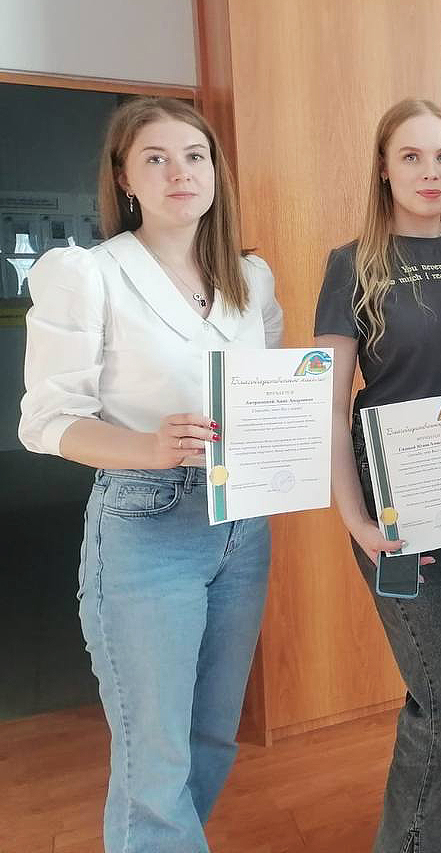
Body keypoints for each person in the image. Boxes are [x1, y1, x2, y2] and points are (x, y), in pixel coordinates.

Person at [19, 97, 283, 853]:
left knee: (212, 737)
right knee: (155, 756)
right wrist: (149, 447)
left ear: (215, 171)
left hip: (241, 524)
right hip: (145, 521)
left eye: (194, 156)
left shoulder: (250, 278)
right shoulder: (87, 274)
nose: (180, 173)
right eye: (156, 159)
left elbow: (267, 385)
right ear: (124, 178)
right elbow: (45, 421)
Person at [313, 98, 441, 853]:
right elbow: (330, 406)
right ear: (383, 166)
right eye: (411, 156)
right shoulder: (351, 264)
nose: (431, 172)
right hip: (393, 489)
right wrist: (356, 522)